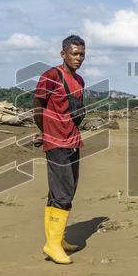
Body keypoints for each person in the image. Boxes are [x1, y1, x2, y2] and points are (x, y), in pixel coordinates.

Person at [33, 35, 86, 264]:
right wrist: (46, 132)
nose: (79, 58)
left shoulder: (80, 80)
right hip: (56, 143)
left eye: (82, 54)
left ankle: (58, 239)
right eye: (74, 53)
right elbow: (37, 107)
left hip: (73, 141)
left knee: (65, 191)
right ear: (63, 54)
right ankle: (52, 245)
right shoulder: (51, 76)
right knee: (62, 194)